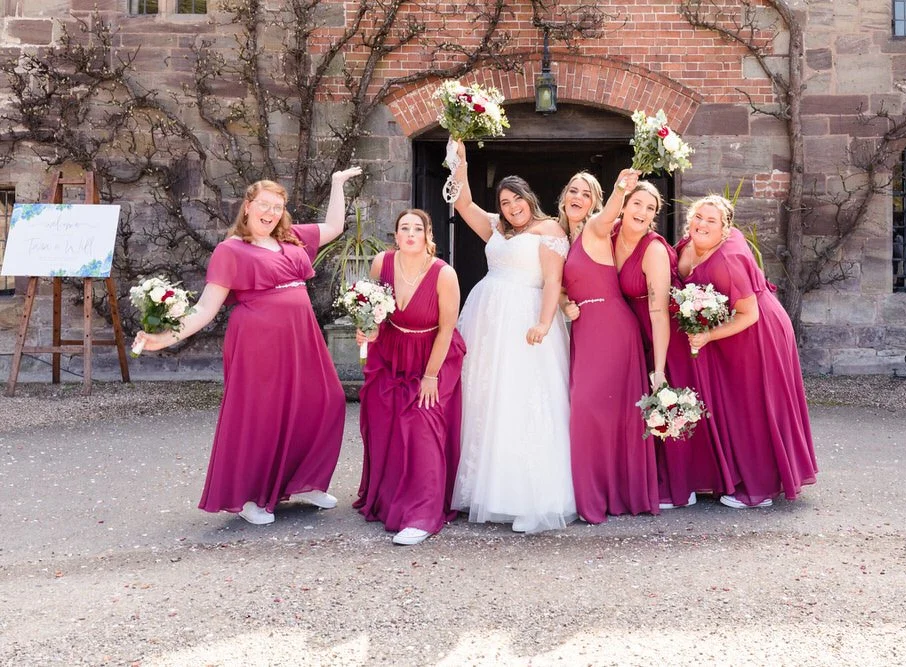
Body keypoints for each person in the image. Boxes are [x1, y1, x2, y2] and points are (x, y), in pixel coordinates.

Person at [133, 169, 362, 525]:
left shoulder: (293, 238)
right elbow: (206, 309)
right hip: (258, 342)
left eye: (278, 206)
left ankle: (305, 482)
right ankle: (249, 498)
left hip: (302, 337)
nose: (270, 213)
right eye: (264, 205)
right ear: (248, 206)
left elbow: (333, 227)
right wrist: (164, 337)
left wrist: (336, 184)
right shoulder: (231, 250)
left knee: (325, 401)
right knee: (260, 415)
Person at [447, 138, 576, 533]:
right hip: (488, 318)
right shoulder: (495, 227)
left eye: (516, 200)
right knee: (488, 396)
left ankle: (530, 498)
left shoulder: (550, 229)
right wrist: (460, 163)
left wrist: (542, 321)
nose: (511, 208)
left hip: (526, 321)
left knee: (525, 399)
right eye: (504, 203)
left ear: (528, 198)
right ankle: (487, 490)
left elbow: (553, 281)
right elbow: (464, 204)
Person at [676, 195, 818, 508]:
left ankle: (759, 488)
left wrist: (708, 335)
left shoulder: (727, 260)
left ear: (725, 229)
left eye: (711, 221)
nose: (702, 223)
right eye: (699, 216)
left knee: (754, 403)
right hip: (737, 328)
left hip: (757, 330)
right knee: (738, 405)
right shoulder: (690, 241)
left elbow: (749, 313)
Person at [607, 181, 727, 509]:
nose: (643, 212)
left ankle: (680, 487)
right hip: (634, 331)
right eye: (638, 204)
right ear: (624, 204)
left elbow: (659, 312)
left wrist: (659, 369)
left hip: (665, 334)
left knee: (667, 399)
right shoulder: (611, 233)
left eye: (650, 208)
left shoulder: (654, 250)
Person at [354, 209, 466, 546]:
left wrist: (430, 376)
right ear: (396, 234)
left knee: (422, 422)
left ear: (429, 234)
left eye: (418, 228)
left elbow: (447, 329)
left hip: (433, 355)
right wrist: (368, 332)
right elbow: (374, 312)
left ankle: (422, 514)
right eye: (405, 227)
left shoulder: (444, 274)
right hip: (391, 352)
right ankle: (388, 499)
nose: (411, 233)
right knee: (381, 415)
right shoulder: (381, 263)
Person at [562, 168, 660, 524]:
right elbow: (559, 285)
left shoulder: (595, 227)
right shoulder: (561, 237)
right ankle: (602, 492)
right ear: (563, 196)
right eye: (573, 190)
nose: (578, 198)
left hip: (612, 327)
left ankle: (602, 497)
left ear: (596, 203)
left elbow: (610, 214)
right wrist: (562, 303)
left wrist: (622, 188)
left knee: (590, 409)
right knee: (592, 410)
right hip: (585, 330)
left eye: (586, 194)